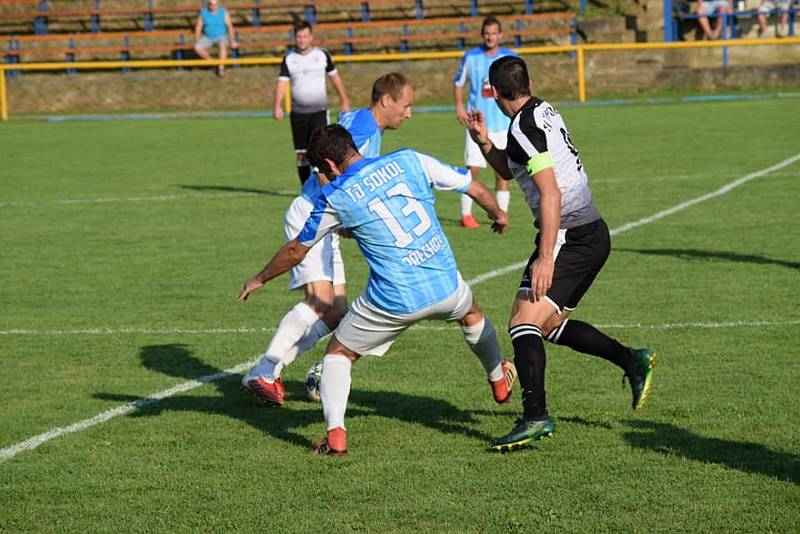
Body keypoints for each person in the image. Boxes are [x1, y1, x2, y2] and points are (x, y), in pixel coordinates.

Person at [238, 124, 513, 455]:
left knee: (339, 354)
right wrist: (497, 212)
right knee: (471, 314)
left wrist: (260, 277)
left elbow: (298, 249)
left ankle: (335, 436)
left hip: (393, 300)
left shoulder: (334, 196)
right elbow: (472, 187)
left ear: (328, 164)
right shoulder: (410, 159)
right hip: (445, 285)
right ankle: (498, 378)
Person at [465, 56, 655, 452]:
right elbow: (513, 165)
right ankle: (632, 360)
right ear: (528, 82)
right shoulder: (542, 111)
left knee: (522, 323)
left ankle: (535, 416)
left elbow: (550, 191)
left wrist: (546, 257)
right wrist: (485, 142)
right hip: (591, 233)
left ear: (494, 93)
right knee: (547, 326)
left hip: (571, 235)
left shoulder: (523, 128)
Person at [240, 73, 413, 405]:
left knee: (335, 312)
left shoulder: (364, 125)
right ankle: (264, 371)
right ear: (386, 100)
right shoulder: (363, 128)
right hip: (312, 215)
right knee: (319, 301)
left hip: (327, 221)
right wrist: (343, 210)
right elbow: (322, 170)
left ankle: (268, 372)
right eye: (406, 106)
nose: (408, 114)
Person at [453, 15, 518, 229]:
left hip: (503, 123)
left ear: (500, 35)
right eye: (486, 33)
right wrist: (460, 106)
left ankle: (501, 215)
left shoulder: (510, 57)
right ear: (482, 35)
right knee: (472, 170)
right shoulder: (471, 57)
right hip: (477, 123)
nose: (490, 37)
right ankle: (466, 215)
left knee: (503, 172)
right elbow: (458, 83)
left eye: (493, 33)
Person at [275, 20, 351, 185]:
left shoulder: (322, 55)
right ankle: (305, 189)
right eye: (298, 36)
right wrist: (277, 105)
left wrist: (344, 100)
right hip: (299, 115)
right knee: (302, 154)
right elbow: (282, 82)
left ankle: (326, 187)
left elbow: (335, 78)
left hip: (319, 112)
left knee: (322, 151)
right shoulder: (289, 58)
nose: (302, 40)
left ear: (311, 37)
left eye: (305, 36)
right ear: (294, 38)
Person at [193, 0, 237, 78]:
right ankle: (213, 64)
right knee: (197, 47)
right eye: (211, 4)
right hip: (208, 37)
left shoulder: (223, 12)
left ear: (218, 4)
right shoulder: (203, 12)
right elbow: (198, 27)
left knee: (223, 46)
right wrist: (197, 39)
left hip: (221, 36)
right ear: (208, 4)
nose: (213, 6)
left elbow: (230, 27)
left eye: (215, 4)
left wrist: (233, 41)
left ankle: (221, 69)